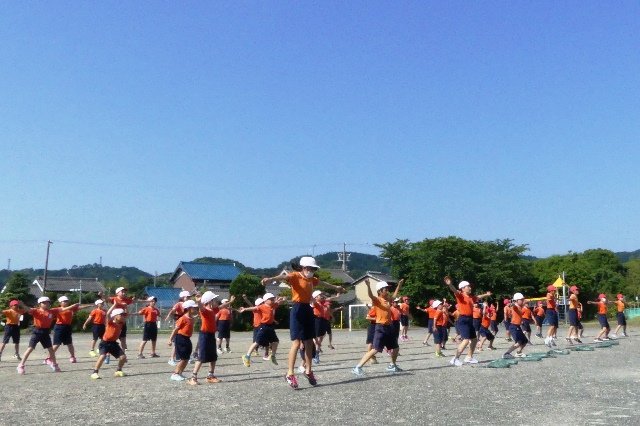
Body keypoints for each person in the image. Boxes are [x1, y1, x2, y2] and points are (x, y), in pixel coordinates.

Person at [261, 256, 344, 389]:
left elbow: (323, 283)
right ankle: (290, 373)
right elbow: (283, 278)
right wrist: (270, 279)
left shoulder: (311, 279)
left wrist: (336, 287)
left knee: (309, 341)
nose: (312, 271)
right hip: (298, 309)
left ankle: (308, 371)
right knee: (296, 342)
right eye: (311, 268)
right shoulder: (295, 276)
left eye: (314, 269)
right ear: (304, 267)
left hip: (307, 309)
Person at [352, 278, 404, 376]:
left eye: (387, 289)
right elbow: (371, 295)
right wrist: (368, 286)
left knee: (396, 348)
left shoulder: (388, 300)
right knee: (375, 349)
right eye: (385, 289)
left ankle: (392, 365)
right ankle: (357, 367)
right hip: (381, 328)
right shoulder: (377, 300)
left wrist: (399, 286)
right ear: (380, 291)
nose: (387, 291)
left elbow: (394, 296)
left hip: (389, 327)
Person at [16, 297, 81, 375]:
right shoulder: (36, 311)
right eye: (44, 303)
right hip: (37, 331)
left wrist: (73, 305)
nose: (47, 304)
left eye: (48, 302)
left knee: (51, 350)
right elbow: (28, 309)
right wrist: (22, 305)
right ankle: (21, 365)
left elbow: (64, 309)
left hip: (46, 332)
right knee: (30, 348)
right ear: (40, 304)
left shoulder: (52, 311)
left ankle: (54, 364)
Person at [443, 277, 492, 366]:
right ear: (463, 288)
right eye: (468, 286)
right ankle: (455, 359)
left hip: (470, 319)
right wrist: (450, 284)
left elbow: (478, 297)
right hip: (463, 319)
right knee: (466, 340)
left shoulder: (471, 297)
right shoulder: (460, 295)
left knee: (474, 339)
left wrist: (486, 294)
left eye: (469, 286)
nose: (470, 288)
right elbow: (454, 290)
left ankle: (469, 357)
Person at [188, 291, 223, 385]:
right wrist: (199, 301)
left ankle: (210, 376)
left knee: (213, 357)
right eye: (214, 299)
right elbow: (201, 308)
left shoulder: (213, 310)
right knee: (201, 357)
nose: (216, 301)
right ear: (210, 301)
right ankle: (193, 378)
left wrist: (230, 302)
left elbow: (220, 307)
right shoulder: (205, 311)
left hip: (211, 335)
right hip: (204, 335)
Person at [240, 292, 283, 368]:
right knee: (257, 342)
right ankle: (247, 356)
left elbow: (279, 302)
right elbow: (253, 308)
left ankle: (272, 356)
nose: (272, 300)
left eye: (273, 299)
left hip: (270, 327)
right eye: (271, 299)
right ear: (266, 300)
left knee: (275, 341)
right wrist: (245, 309)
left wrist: (280, 299)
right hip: (264, 327)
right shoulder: (262, 306)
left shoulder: (272, 306)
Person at [50, 296, 93, 364]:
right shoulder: (57, 309)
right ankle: (49, 357)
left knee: (69, 343)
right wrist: (73, 305)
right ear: (60, 302)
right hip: (59, 327)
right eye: (64, 301)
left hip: (67, 327)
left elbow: (79, 307)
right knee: (57, 344)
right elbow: (56, 310)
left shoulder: (71, 309)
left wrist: (89, 305)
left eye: (67, 301)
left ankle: (72, 356)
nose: (66, 302)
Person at [90, 305, 128, 379]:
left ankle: (118, 370)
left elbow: (127, 314)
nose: (123, 316)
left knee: (123, 357)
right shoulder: (110, 323)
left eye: (124, 315)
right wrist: (114, 305)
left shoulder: (121, 323)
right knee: (103, 356)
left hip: (113, 343)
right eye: (121, 315)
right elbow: (107, 314)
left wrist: (125, 306)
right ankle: (95, 372)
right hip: (105, 343)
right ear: (115, 316)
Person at [168, 299, 198, 381]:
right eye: (193, 307)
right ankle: (175, 374)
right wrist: (170, 339)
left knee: (187, 358)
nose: (195, 309)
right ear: (188, 308)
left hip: (187, 338)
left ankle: (180, 373)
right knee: (183, 358)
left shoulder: (191, 318)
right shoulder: (182, 318)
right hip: (181, 338)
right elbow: (175, 329)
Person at [164, 290, 191, 366]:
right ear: (182, 297)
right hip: (179, 323)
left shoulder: (187, 304)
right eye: (187, 297)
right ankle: (171, 358)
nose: (188, 298)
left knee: (182, 341)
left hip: (183, 323)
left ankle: (182, 357)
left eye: (189, 297)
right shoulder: (179, 304)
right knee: (176, 342)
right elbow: (173, 310)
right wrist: (168, 316)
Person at [502, 293, 529, 359]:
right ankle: (506, 353)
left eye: (523, 299)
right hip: (514, 327)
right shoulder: (516, 306)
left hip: (517, 326)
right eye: (521, 300)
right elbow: (513, 305)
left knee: (525, 341)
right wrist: (512, 303)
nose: (523, 301)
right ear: (516, 300)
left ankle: (518, 353)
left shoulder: (520, 306)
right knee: (519, 342)